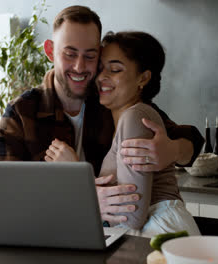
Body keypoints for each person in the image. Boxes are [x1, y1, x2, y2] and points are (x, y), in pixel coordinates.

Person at [0, 5, 204, 224]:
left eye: (90, 56)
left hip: (109, 239)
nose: (80, 67)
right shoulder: (21, 114)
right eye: (70, 54)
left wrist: (173, 150)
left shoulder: (112, 101)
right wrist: (82, 196)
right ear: (50, 51)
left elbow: (191, 138)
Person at [48, 31, 201, 237]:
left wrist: (75, 172)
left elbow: (131, 217)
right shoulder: (118, 115)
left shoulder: (136, 117)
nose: (101, 77)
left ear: (143, 78)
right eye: (101, 69)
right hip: (151, 228)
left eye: (115, 69)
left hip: (157, 229)